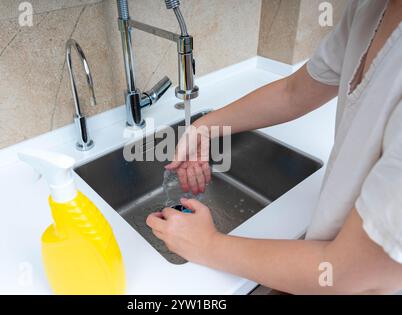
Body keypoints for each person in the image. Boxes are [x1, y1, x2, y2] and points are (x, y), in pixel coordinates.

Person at [146, 0, 402, 294]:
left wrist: (208, 245)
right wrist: (203, 127)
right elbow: (293, 92)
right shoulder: (370, 8)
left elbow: (348, 273)